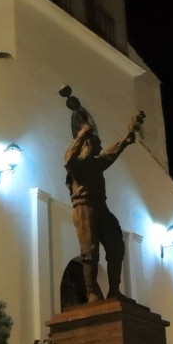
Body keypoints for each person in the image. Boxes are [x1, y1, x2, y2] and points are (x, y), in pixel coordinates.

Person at [64, 117, 137, 303]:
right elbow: (68, 160)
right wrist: (81, 134)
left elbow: (111, 153)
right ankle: (91, 293)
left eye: (98, 146)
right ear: (85, 146)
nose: (98, 149)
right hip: (83, 207)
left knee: (116, 246)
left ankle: (114, 290)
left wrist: (127, 138)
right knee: (90, 252)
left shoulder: (96, 164)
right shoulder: (76, 165)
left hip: (101, 207)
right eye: (94, 145)